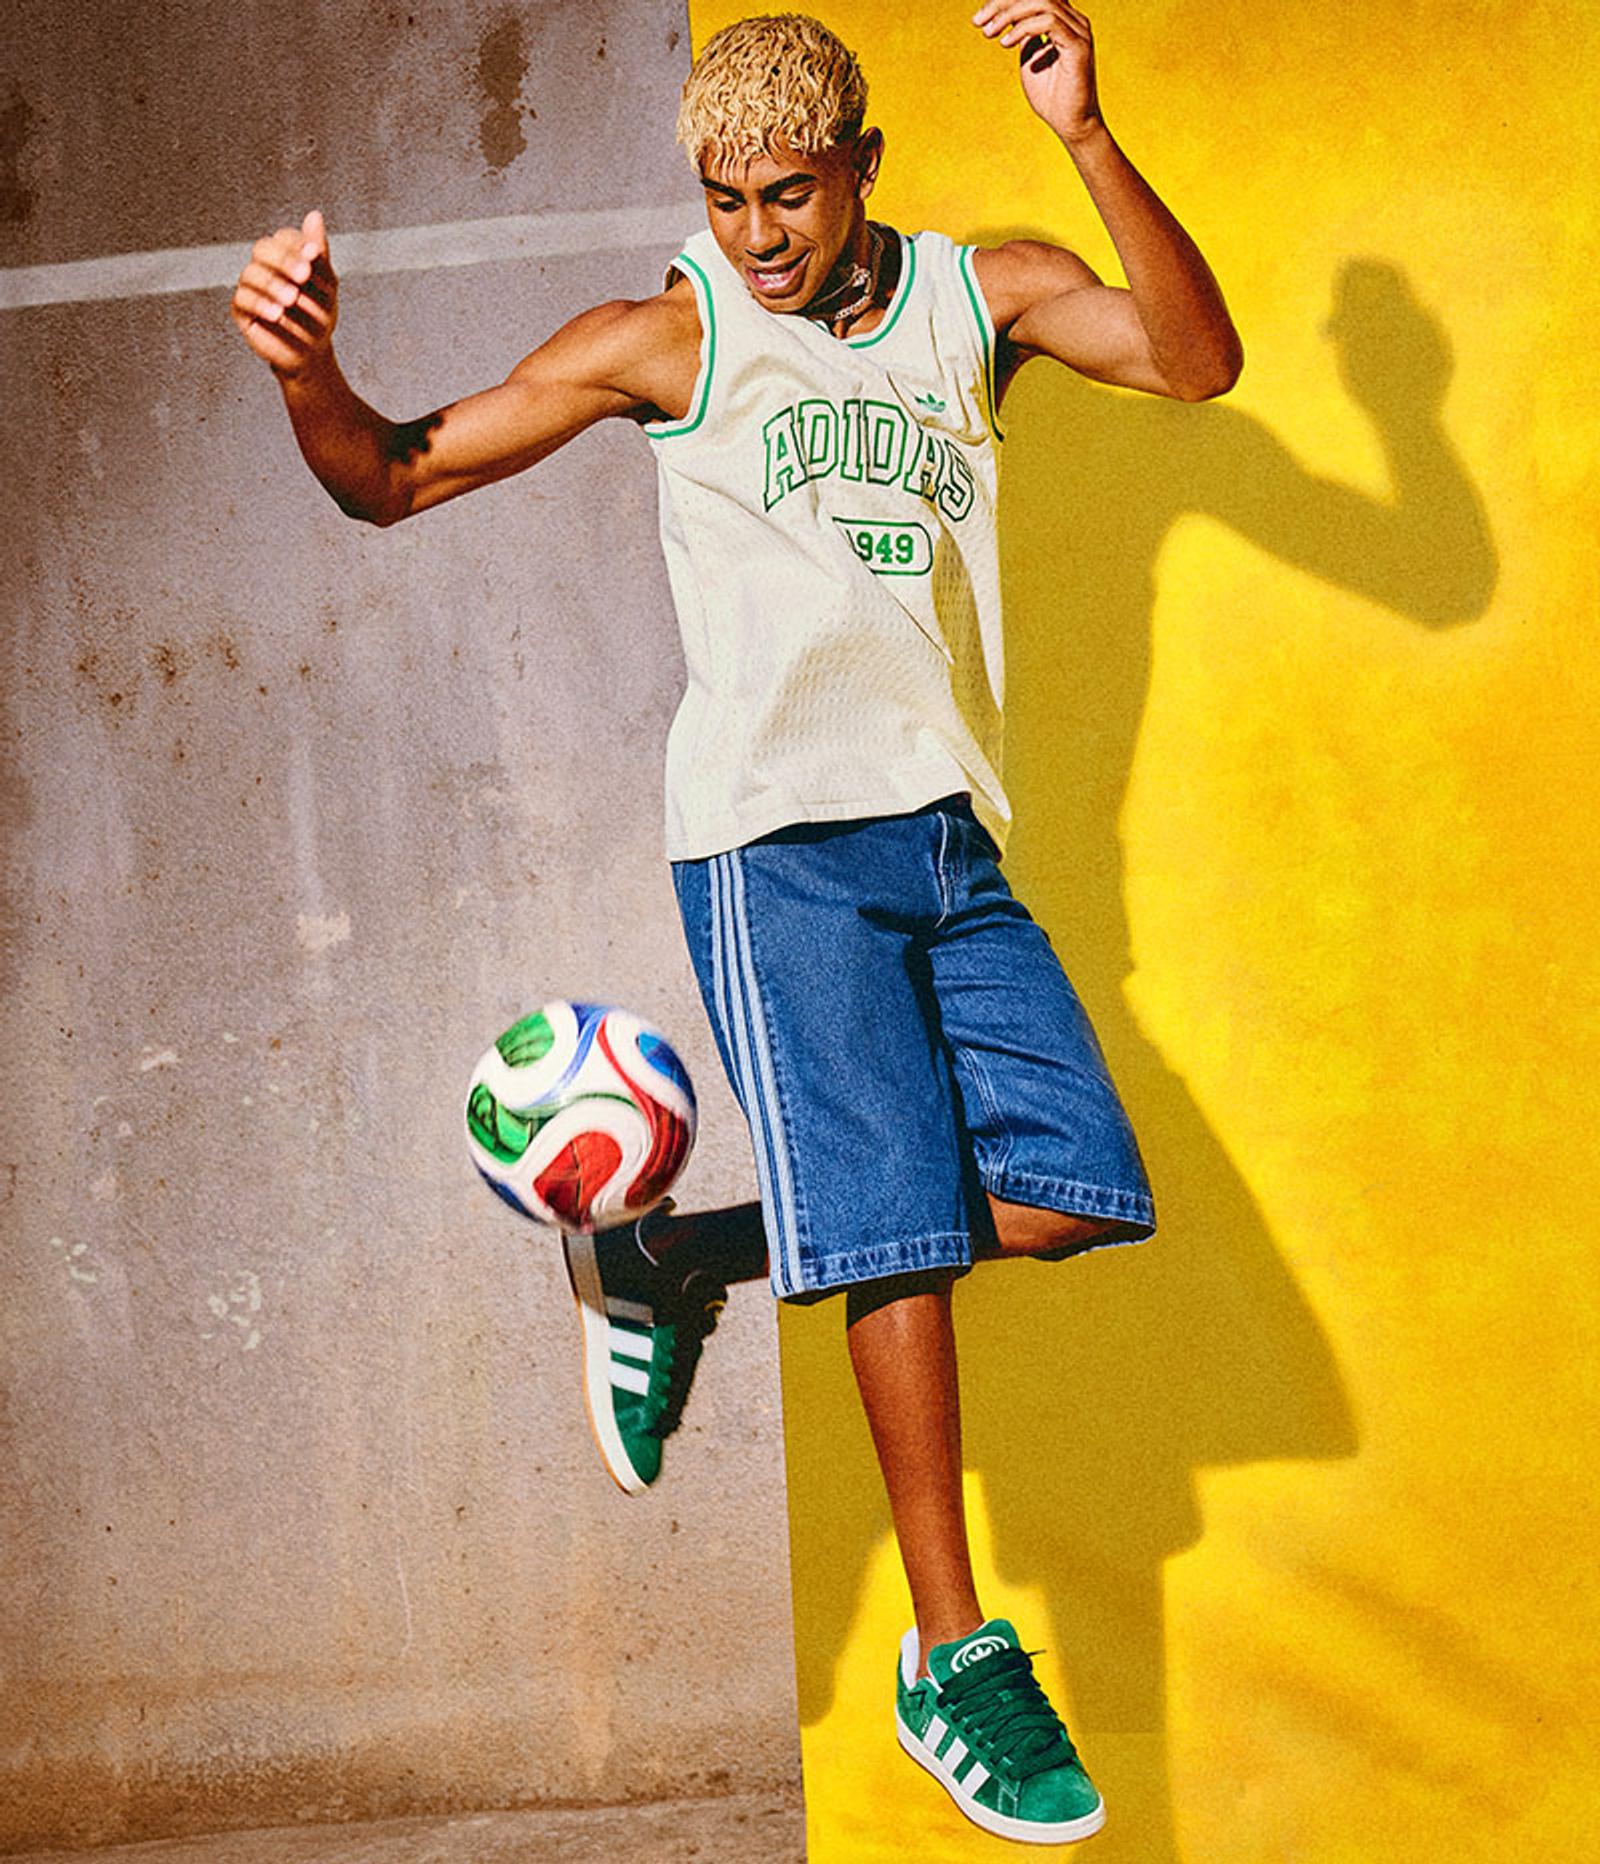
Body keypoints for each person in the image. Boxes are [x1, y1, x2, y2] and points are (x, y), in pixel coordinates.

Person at [230, 4, 1240, 1845]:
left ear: (859, 160)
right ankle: (955, 1651)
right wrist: (307, 366)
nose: (762, 232)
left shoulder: (971, 296)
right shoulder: (670, 341)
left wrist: (1089, 136)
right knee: (897, 1242)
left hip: (945, 834)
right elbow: (388, 473)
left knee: (1082, 1184)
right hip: (774, 842)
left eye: (790, 193)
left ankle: (674, 1264)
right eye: (726, 196)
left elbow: (1193, 362)